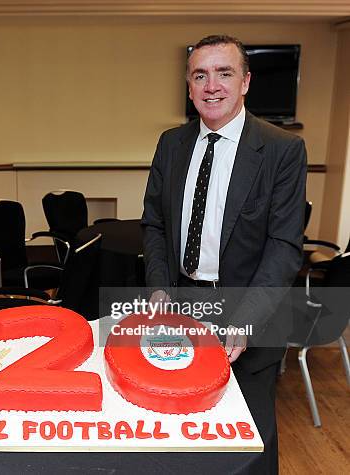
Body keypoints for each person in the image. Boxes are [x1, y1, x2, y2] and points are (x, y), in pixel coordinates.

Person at [141, 35, 306, 472]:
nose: (211, 86)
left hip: (250, 312)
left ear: (246, 82)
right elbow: (154, 224)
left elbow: (284, 245)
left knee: (249, 443)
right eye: (200, 75)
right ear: (190, 86)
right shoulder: (171, 145)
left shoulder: (282, 149)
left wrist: (247, 317)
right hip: (183, 313)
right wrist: (159, 289)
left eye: (224, 73)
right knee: (183, 435)